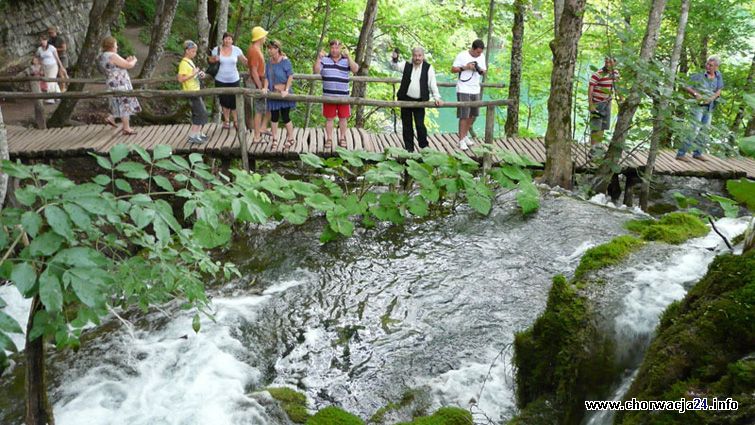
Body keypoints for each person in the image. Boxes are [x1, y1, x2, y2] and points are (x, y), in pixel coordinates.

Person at [391, 47, 442, 152]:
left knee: (420, 125)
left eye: (419, 56)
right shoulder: (406, 65)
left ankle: (424, 147)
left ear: (423, 56)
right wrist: (394, 58)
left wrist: (437, 97)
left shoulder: (428, 68)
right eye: (415, 55)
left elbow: (432, 84)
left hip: (420, 101)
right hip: (405, 99)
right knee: (407, 125)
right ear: (412, 56)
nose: (417, 58)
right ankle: (409, 149)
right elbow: (393, 66)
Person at [676, 55, 724, 162]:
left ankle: (698, 153)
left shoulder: (718, 76)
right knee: (694, 129)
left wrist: (712, 98)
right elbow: (686, 86)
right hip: (697, 106)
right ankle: (681, 153)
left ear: (716, 67)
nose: (708, 67)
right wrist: (695, 94)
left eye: (711, 65)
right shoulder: (699, 75)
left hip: (709, 107)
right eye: (707, 64)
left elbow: (719, 90)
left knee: (705, 130)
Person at [313, 39, 359, 148]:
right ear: (330, 48)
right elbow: (316, 71)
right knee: (329, 118)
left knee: (343, 118)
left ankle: (342, 138)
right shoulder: (325, 59)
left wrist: (349, 57)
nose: (334, 50)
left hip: (343, 96)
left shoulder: (346, 60)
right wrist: (319, 58)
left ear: (341, 48)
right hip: (328, 96)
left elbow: (355, 69)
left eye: (337, 48)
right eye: (332, 48)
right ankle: (329, 139)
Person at [98, 36, 141, 135]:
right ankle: (126, 128)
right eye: (116, 45)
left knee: (117, 102)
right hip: (119, 82)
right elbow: (128, 65)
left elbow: (119, 64)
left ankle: (111, 117)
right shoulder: (112, 55)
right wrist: (134, 60)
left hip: (112, 81)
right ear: (112, 45)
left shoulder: (102, 56)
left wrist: (127, 61)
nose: (117, 47)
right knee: (124, 103)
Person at [451, 39, 486, 150]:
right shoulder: (462, 55)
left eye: (480, 52)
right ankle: (461, 140)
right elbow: (453, 69)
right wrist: (466, 67)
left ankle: (465, 136)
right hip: (463, 88)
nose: (479, 54)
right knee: (464, 115)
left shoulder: (482, 56)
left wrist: (479, 69)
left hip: (475, 89)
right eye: (477, 52)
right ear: (473, 49)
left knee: (473, 115)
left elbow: (484, 71)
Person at [209, 32, 247, 130]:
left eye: (229, 39)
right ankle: (226, 121)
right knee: (224, 100)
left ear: (232, 40)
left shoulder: (236, 50)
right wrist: (214, 59)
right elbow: (210, 60)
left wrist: (255, 66)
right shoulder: (216, 49)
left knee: (234, 101)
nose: (227, 40)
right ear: (223, 39)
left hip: (234, 79)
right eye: (226, 38)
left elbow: (245, 61)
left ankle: (235, 121)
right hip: (220, 79)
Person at [265, 40, 297, 151]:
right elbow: (266, 77)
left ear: (277, 49)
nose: (269, 50)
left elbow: (290, 76)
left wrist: (286, 89)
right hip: (273, 93)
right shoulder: (269, 63)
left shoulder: (285, 61)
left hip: (283, 92)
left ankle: (291, 138)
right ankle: (274, 139)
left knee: (285, 116)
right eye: (268, 48)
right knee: (274, 117)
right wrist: (265, 88)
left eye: (271, 48)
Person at [177, 40, 209, 144]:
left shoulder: (190, 61)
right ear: (187, 51)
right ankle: (192, 135)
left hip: (196, 90)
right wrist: (193, 73)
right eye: (192, 51)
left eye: (195, 51)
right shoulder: (183, 63)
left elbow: (193, 73)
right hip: (191, 91)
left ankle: (198, 133)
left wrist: (199, 74)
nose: (194, 53)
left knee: (201, 112)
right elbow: (181, 79)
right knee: (200, 112)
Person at [588, 57, 619, 158]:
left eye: (610, 62)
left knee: (603, 125)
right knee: (595, 126)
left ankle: (599, 146)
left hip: (607, 102)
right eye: (606, 61)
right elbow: (591, 87)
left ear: (615, 63)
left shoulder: (615, 73)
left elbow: (616, 86)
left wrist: (621, 98)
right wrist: (591, 104)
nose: (607, 63)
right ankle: (593, 148)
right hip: (598, 102)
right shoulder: (599, 73)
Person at [247, 26, 271, 143]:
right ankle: (256, 137)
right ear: (260, 37)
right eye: (264, 36)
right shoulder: (254, 50)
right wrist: (260, 86)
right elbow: (253, 70)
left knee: (264, 108)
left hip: (260, 81)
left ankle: (262, 129)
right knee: (259, 110)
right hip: (257, 83)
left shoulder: (256, 48)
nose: (266, 38)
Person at [36, 34, 67, 104]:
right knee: (53, 82)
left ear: (46, 41)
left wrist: (61, 66)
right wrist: (40, 68)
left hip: (53, 66)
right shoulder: (39, 49)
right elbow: (39, 58)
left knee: (49, 81)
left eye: (44, 40)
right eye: (41, 41)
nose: (42, 42)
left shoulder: (52, 48)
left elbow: (57, 58)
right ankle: (58, 95)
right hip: (45, 67)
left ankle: (50, 98)